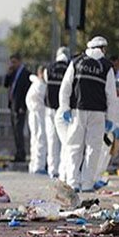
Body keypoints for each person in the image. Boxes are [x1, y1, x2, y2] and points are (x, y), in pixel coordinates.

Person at [58, 36, 119, 192]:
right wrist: (110, 119)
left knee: (74, 147)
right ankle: (87, 184)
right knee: (93, 149)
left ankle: (72, 182)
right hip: (97, 113)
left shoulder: (76, 61)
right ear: (103, 49)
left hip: (78, 110)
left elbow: (65, 87)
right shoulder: (106, 66)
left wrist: (65, 108)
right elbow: (111, 95)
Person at [44, 46, 70, 178]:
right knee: (65, 141)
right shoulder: (69, 68)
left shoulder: (49, 68)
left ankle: (52, 169)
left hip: (49, 108)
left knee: (51, 139)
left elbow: (46, 81)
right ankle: (62, 170)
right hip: (63, 109)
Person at [4, 53, 31, 162]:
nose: (12, 64)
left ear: (20, 61)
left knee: (19, 131)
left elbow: (26, 92)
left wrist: (23, 106)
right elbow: (6, 84)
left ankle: (21, 154)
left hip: (20, 107)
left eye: (14, 62)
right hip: (12, 106)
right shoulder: (13, 73)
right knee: (15, 131)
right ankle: (18, 152)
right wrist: (8, 73)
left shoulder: (26, 74)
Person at [26, 66, 48, 174]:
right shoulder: (40, 85)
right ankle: (39, 165)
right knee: (40, 139)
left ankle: (34, 164)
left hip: (34, 114)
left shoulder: (35, 84)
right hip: (39, 114)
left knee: (35, 140)